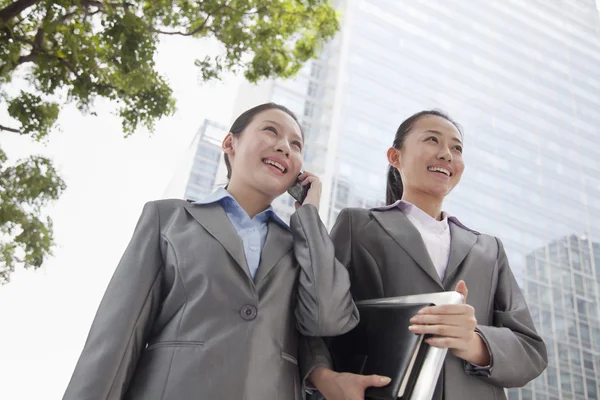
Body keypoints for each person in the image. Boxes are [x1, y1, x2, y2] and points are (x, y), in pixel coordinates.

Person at [63, 103, 359, 400]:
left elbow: (327, 319)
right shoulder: (168, 219)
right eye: (271, 131)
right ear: (230, 143)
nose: (284, 147)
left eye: (296, 145)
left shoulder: (303, 247)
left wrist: (308, 215)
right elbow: (116, 338)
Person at [301, 110, 547, 400]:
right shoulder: (358, 226)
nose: (447, 154)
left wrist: (473, 342)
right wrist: (322, 377)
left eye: (457, 148)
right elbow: (315, 313)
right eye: (432, 140)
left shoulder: (489, 249)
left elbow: (530, 351)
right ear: (395, 157)